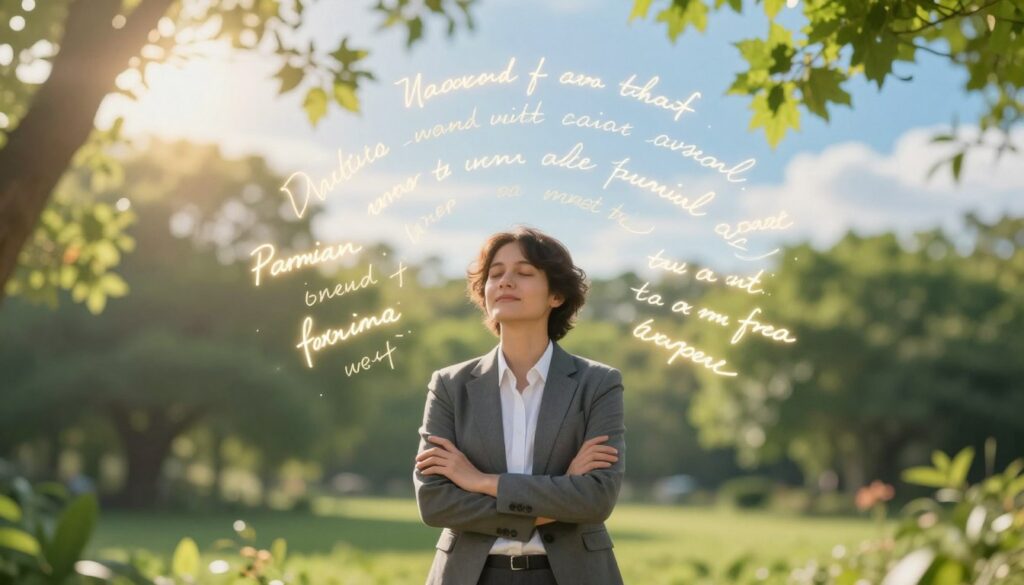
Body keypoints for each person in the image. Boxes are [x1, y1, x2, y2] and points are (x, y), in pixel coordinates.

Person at [413, 225, 627, 585]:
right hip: (469, 575)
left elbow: (595, 498)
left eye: (524, 273)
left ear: (556, 295)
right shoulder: (449, 385)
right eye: (496, 274)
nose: (506, 281)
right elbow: (435, 502)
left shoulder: (599, 383)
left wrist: (480, 481)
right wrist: (560, 492)